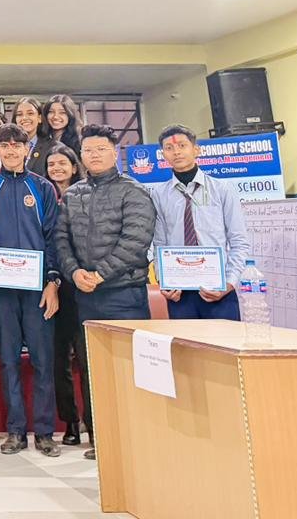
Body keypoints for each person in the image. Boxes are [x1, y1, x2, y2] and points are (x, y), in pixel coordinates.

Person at [55, 123, 155, 460]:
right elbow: (61, 239)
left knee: (129, 370)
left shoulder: (134, 192)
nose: (94, 155)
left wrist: (100, 274)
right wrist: (74, 272)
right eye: (88, 150)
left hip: (125, 296)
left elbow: (135, 242)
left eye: (101, 149)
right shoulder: (73, 194)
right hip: (85, 297)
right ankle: (102, 438)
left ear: (115, 153)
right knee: (93, 370)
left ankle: (135, 438)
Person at [0, 123, 62, 457]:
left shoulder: (42, 188)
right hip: (3, 289)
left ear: (28, 149)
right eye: (5, 145)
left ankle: (44, 432)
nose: (11, 151)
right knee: (8, 360)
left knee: (42, 360)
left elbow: (53, 236)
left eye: (17, 145)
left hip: (37, 289)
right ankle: (15, 430)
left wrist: (52, 281)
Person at [151, 124, 252, 321]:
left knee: (225, 341)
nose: (176, 152)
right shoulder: (159, 194)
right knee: (184, 342)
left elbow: (239, 241)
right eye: (169, 148)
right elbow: (160, 244)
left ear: (196, 150)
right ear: (163, 155)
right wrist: (164, 281)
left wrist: (229, 283)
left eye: (182, 145)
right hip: (179, 292)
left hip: (218, 288)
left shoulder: (222, 189)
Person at [46, 143, 90, 446]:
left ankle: (93, 424)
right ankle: (70, 423)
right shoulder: (43, 195)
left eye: (62, 163)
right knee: (57, 359)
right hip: (51, 285)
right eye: (51, 164)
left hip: (81, 287)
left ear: (74, 167)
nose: (56, 168)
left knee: (85, 360)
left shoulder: (86, 195)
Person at [11, 97, 49, 177]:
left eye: (30, 113)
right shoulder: (7, 146)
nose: (24, 118)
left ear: (39, 118)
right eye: (19, 114)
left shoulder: (51, 147)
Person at [44, 95, 84, 159]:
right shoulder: (41, 139)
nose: (55, 117)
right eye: (51, 112)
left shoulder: (80, 140)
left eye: (62, 112)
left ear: (70, 115)